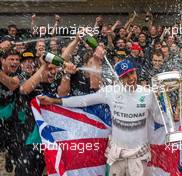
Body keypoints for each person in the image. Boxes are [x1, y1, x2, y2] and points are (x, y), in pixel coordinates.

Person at [38, 59, 167, 176]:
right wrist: (54, 101)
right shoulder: (110, 92)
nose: (131, 78)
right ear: (119, 79)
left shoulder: (148, 94)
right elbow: (83, 101)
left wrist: (173, 117)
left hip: (139, 155)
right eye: (125, 76)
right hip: (117, 155)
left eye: (132, 73)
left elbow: (159, 119)